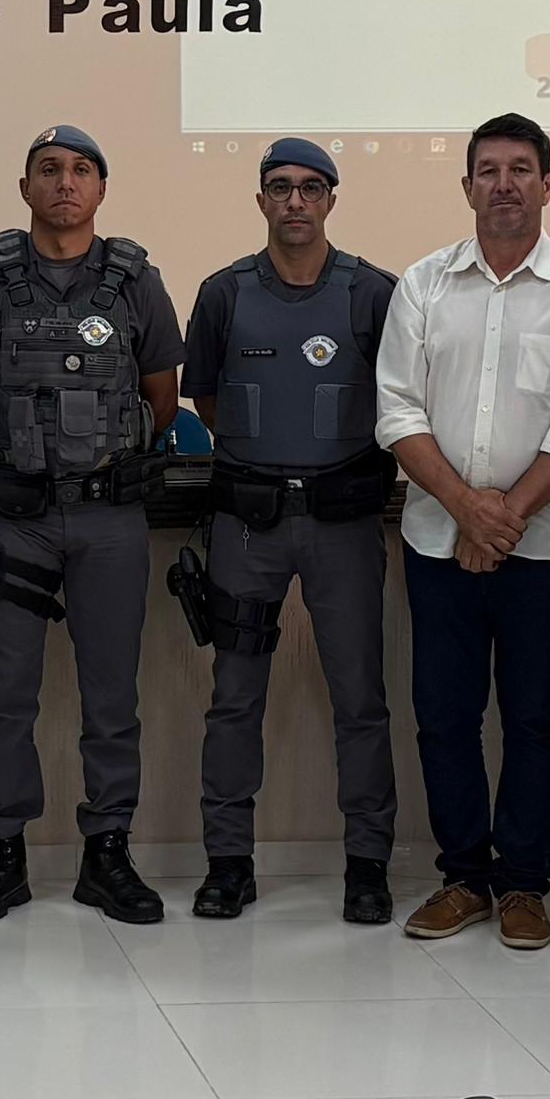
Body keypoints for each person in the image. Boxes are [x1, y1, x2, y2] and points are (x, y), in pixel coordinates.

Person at [379, 113, 550, 951]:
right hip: (436, 539)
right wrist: (465, 509)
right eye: (489, 170)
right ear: (468, 186)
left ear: (548, 185)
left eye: (523, 169)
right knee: (443, 715)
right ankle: (464, 878)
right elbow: (397, 409)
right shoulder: (422, 284)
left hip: (545, 548)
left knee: (534, 717)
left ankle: (523, 883)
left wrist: (504, 516)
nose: (506, 183)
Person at [0, 124, 185, 925]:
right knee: (7, 695)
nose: (65, 182)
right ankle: (3, 852)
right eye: (49, 170)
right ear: (26, 188)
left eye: (81, 170)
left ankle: (106, 853)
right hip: (17, 519)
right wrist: (7, 457)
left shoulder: (135, 281)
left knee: (112, 696)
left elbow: (162, 399)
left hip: (111, 517)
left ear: (101, 191)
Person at [178, 137, 399, 923]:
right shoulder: (224, 294)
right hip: (249, 523)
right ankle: (228, 863)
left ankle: (367, 865)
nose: (296, 201)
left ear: (332, 199)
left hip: (342, 524)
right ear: (261, 200)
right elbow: (205, 404)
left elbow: (400, 405)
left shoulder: (374, 293)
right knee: (234, 697)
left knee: (359, 700)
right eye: (281, 188)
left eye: (312, 188)